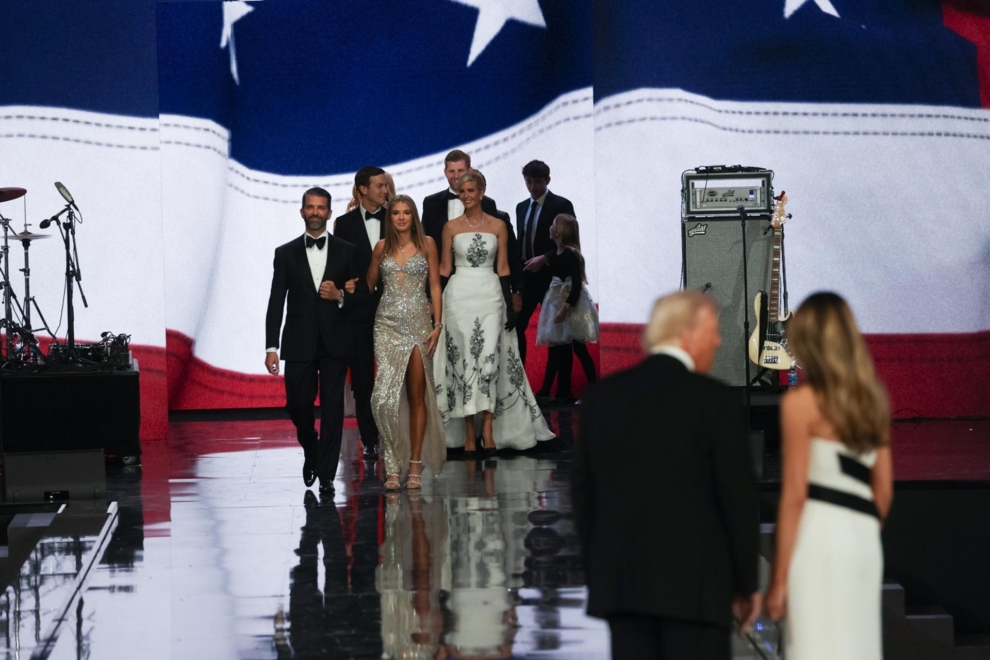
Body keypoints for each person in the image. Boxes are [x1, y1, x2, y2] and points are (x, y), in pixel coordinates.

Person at [572, 290, 761, 660]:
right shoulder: (716, 401)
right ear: (686, 333)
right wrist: (745, 585)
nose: (719, 341)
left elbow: (584, 497)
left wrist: (602, 573)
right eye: (714, 331)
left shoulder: (603, 398)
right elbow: (737, 500)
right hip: (698, 591)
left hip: (624, 588)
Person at [765, 292, 893, 660]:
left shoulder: (800, 404)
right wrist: (860, 532)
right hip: (863, 541)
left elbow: (794, 497)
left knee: (814, 647)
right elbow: (882, 492)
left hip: (818, 539)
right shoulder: (875, 400)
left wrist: (779, 581)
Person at [433, 170, 554, 456]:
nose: (466, 196)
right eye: (462, 192)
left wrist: (511, 298)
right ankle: (468, 435)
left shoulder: (499, 225)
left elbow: (503, 267)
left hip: (490, 296)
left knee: (489, 362)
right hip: (458, 298)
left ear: (482, 191)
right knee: (461, 361)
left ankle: (488, 431)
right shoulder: (450, 227)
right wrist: (432, 301)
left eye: (471, 190)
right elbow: (444, 269)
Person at [265, 187, 369, 496]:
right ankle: (311, 447)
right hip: (298, 340)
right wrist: (271, 346)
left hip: (336, 338)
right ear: (301, 212)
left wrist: (339, 297)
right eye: (310, 207)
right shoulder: (285, 253)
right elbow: (275, 302)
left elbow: (361, 299)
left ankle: (326, 472)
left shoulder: (347, 251)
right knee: (297, 404)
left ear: (329, 213)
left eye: (321, 207)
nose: (315, 212)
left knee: (334, 406)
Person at [363, 195, 446, 490]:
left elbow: (435, 286)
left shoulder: (428, 245)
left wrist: (438, 325)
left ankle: (413, 463)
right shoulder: (381, 248)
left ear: (413, 216)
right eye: (396, 213)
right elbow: (369, 284)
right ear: (391, 217)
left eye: (406, 212)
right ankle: (392, 461)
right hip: (386, 325)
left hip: (418, 326)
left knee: (415, 395)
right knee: (382, 398)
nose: (400, 217)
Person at [333, 166, 389, 459]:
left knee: (398, 375)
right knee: (364, 378)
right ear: (362, 190)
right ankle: (369, 439)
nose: (384, 190)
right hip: (359, 312)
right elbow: (340, 264)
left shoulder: (398, 217)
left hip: (395, 306)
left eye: (385, 186)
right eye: (379, 186)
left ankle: (398, 435)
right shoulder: (343, 224)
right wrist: (345, 285)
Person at [525, 214, 598, 403]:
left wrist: (566, 308)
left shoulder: (571, 255)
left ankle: (595, 392)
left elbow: (575, 284)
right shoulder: (555, 254)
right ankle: (555, 391)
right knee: (559, 349)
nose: (549, 227)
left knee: (579, 349)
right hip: (557, 302)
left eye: (552, 224)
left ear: (559, 231)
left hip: (569, 306)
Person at [514, 160, 574, 364]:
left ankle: (559, 390)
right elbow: (520, 240)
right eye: (528, 182)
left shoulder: (561, 205)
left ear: (547, 180)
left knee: (556, 332)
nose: (532, 187)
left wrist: (546, 258)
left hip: (551, 276)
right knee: (516, 325)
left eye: (537, 182)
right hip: (526, 277)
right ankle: (519, 381)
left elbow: (570, 240)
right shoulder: (521, 207)